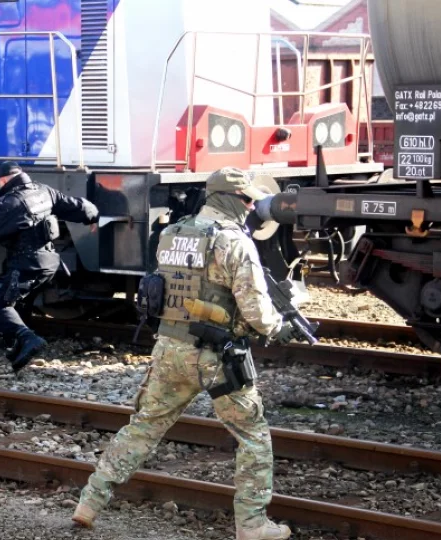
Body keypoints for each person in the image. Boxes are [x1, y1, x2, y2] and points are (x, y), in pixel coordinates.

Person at [71, 167, 295, 540]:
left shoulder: (171, 234)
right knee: (252, 436)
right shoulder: (234, 242)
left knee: (142, 428)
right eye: (247, 199)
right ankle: (252, 524)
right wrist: (279, 328)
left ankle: (89, 503)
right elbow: (257, 312)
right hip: (218, 359)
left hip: (170, 350)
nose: (252, 205)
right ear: (230, 199)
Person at [0, 161, 100, 372]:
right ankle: (17, 351)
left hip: (26, 263)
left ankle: (28, 338)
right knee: (20, 305)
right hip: (49, 263)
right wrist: (93, 215)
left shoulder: (12, 203)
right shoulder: (44, 191)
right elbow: (76, 205)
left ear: (2, 180)